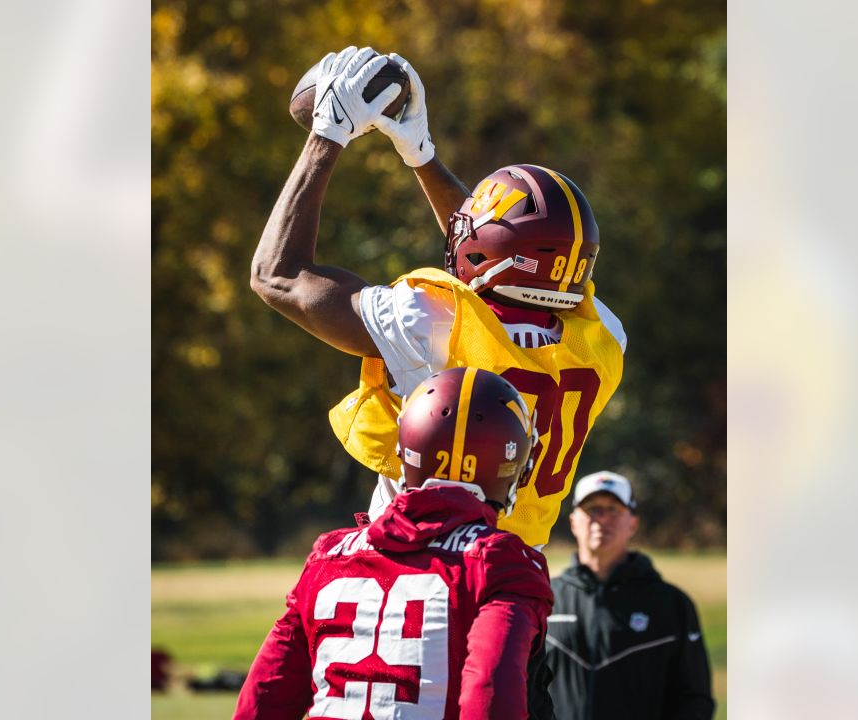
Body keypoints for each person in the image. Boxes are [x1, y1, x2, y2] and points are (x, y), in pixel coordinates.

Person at [249, 45, 627, 553]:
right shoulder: (604, 336)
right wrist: (421, 155)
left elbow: (276, 275)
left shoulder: (428, 319)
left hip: (417, 572)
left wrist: (327, 134)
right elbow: (490, 257)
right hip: (516, 575)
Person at [233, 367, 553, 720]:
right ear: (513, 465)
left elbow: (263, 699)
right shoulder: (502, 563)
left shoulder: (328, 555)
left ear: (405, 450)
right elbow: (490, 697)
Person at [544, 471, 715, 720]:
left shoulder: (670, 604)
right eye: (592, 509)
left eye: (614, 509)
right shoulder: (545, 599)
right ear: (573, 522)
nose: (602, 519)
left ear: (633, 523)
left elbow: (694, 700)